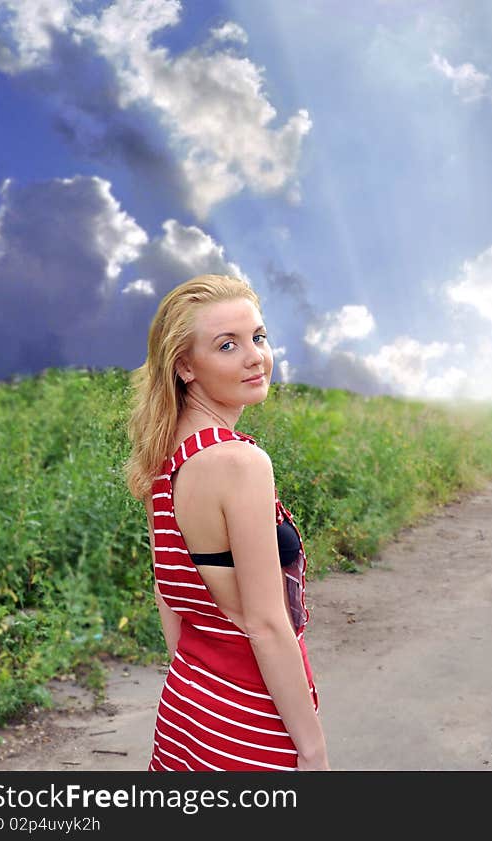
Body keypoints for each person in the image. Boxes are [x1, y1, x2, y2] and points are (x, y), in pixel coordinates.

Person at [124, 273, 329, 771]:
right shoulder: (239, 464)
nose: (254, 356)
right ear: (186, 367)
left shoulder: (163, 455)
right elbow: (264, 623)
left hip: (188, 713)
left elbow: (168, 591)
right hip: (248, 727)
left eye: (258, 337)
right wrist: (313, 750)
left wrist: (198, 678)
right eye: (227, 345)